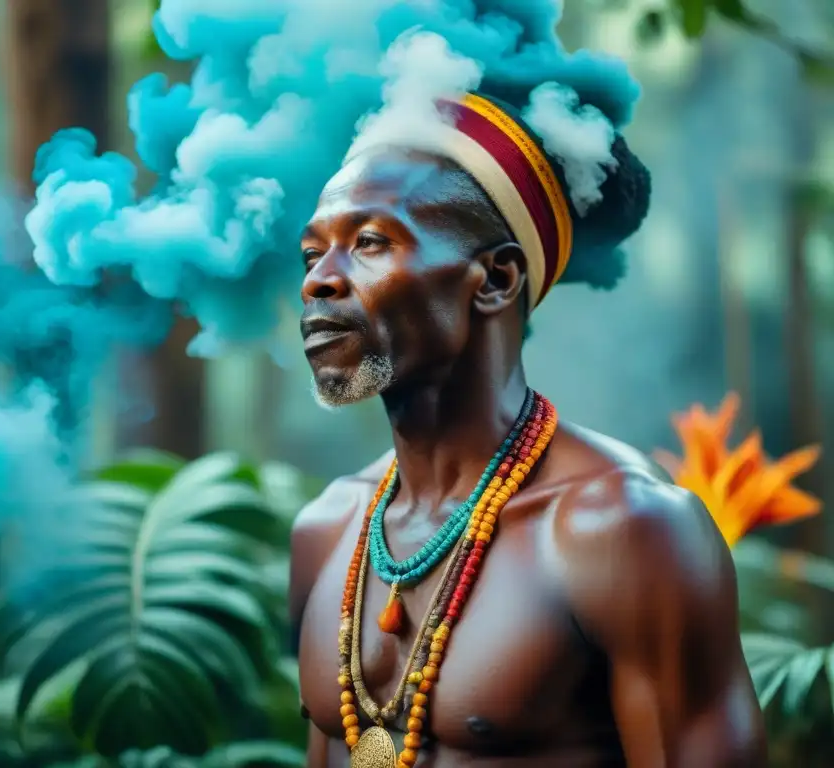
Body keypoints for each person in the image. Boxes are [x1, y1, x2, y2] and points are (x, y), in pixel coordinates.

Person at [289, 90, 766, 767]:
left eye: (369, 243)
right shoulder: (326, 530)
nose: (320, 282)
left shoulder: (621, 529)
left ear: (496, 279)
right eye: (312, 255)